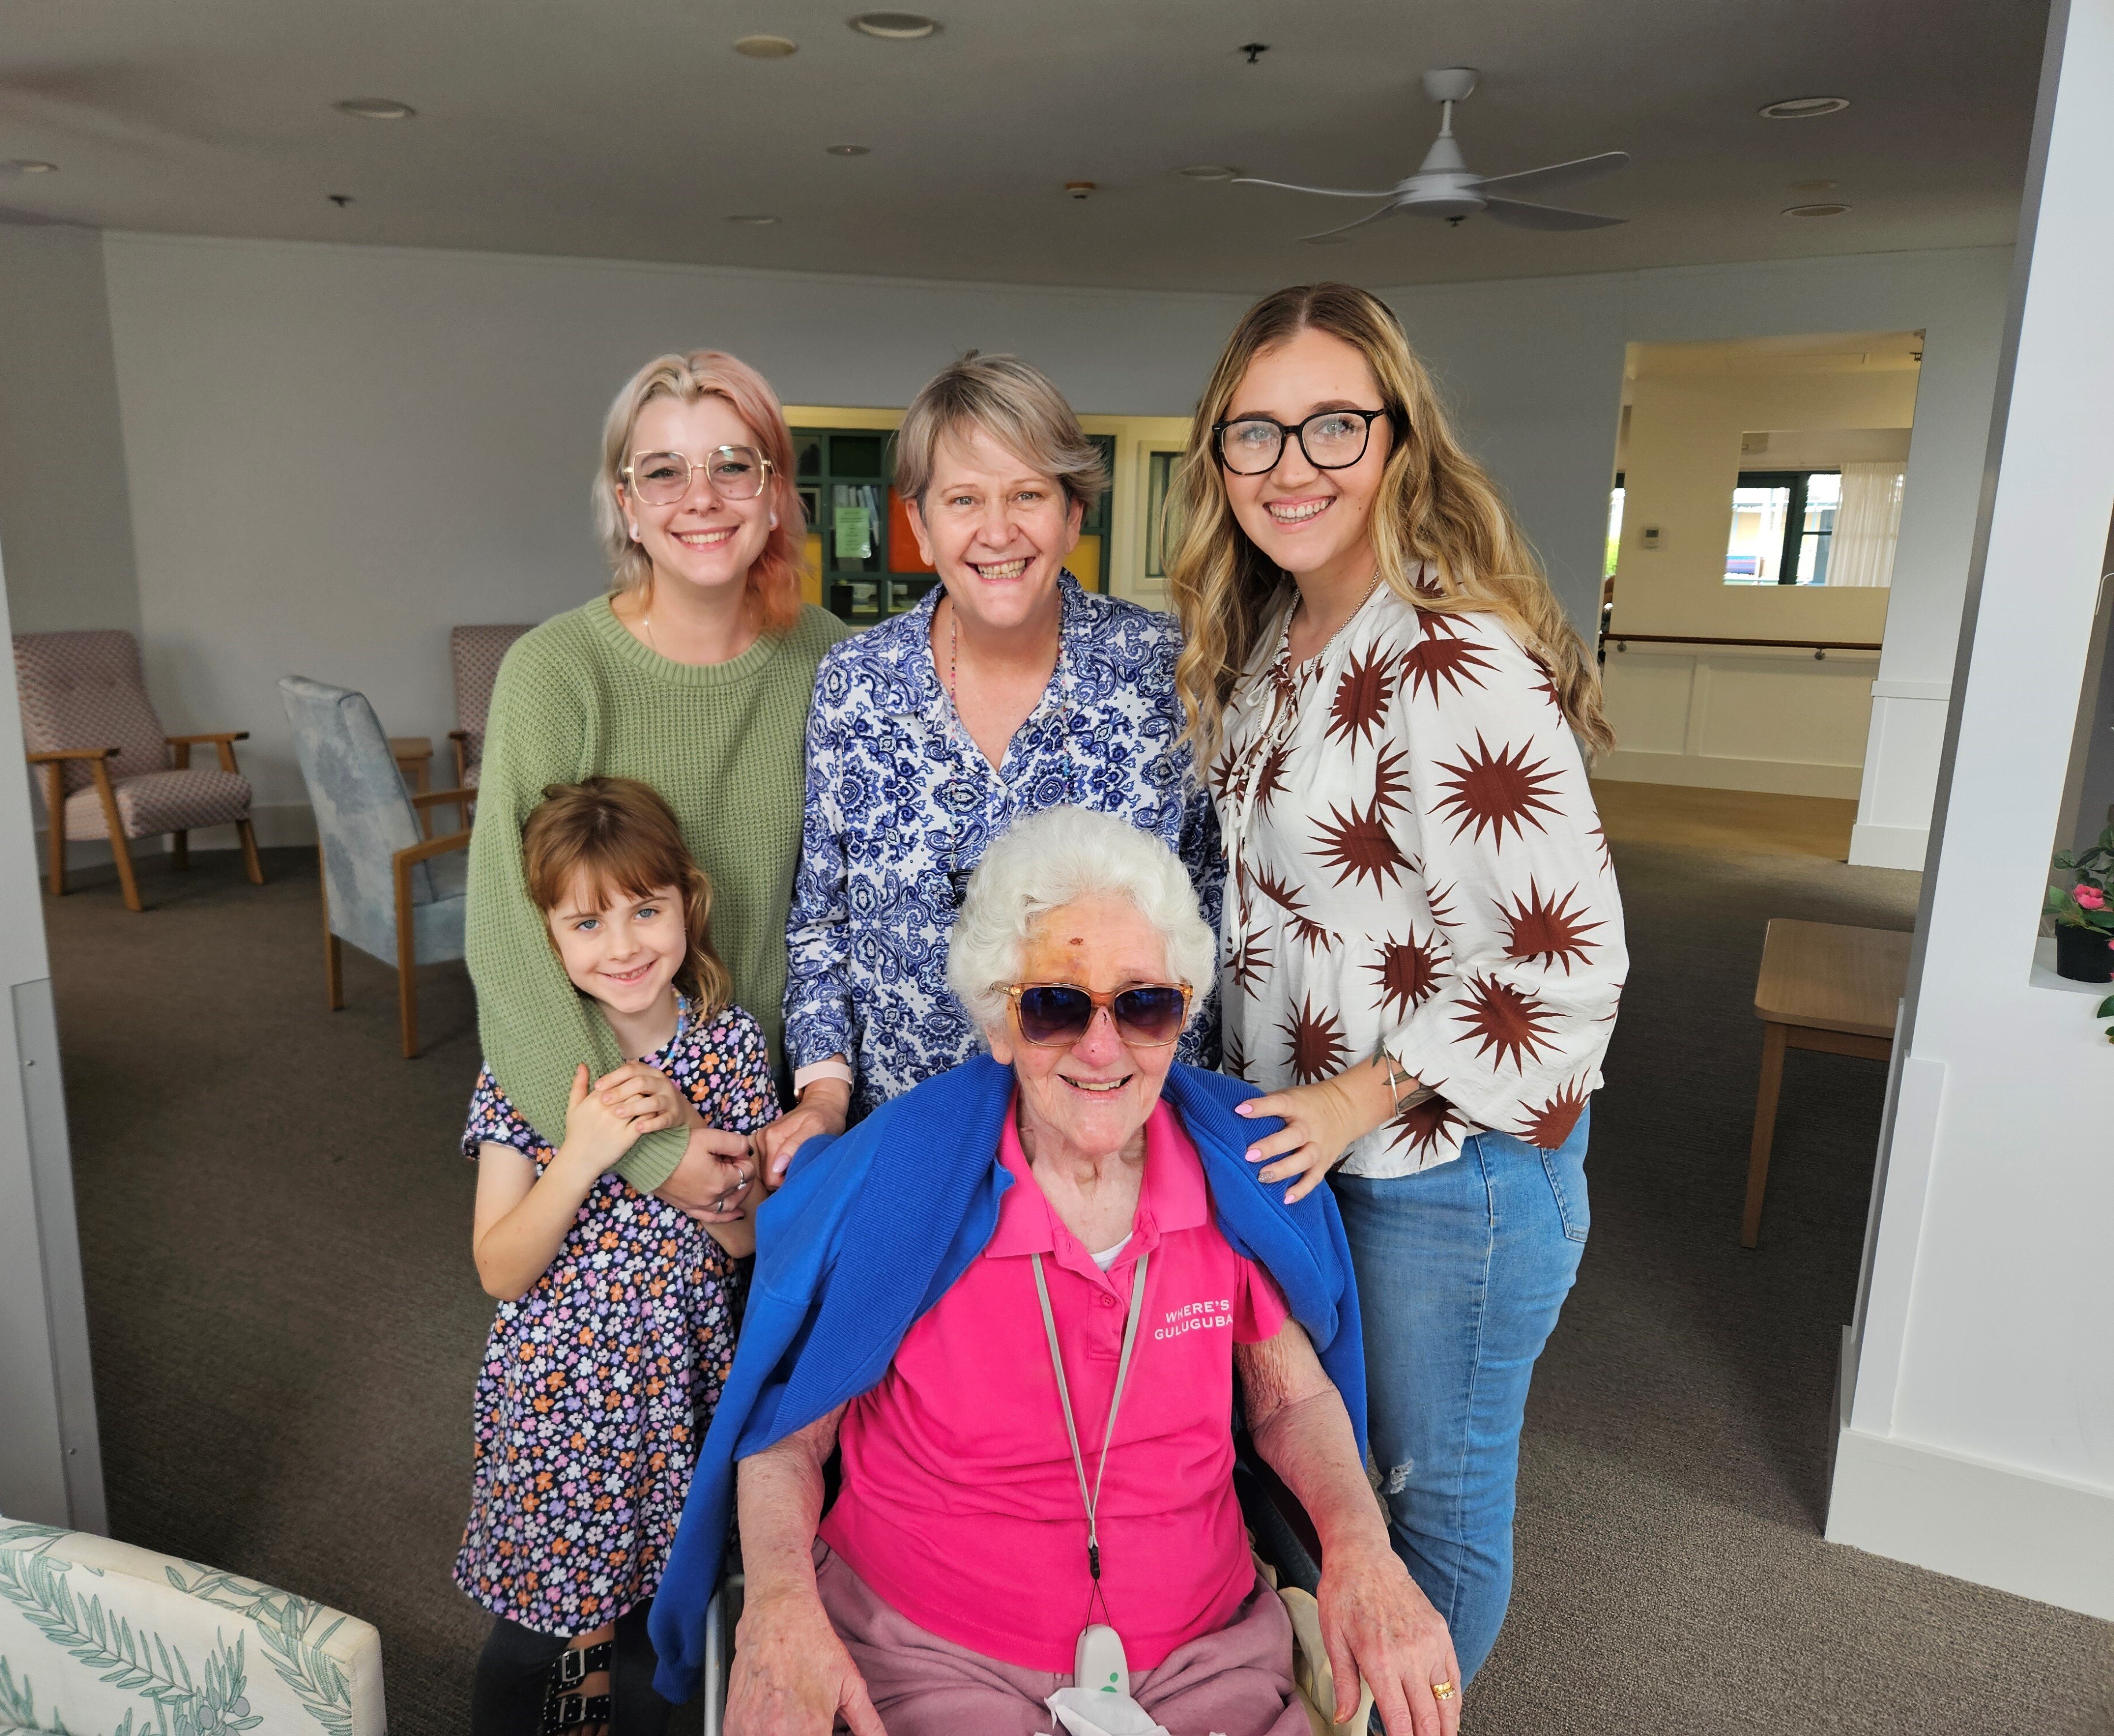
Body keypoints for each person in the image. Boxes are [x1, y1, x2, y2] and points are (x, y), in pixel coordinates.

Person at [651, 808, 1462, 1736]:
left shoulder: (1237, 1176)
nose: (1103, 1047)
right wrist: (783, 1607)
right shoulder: (906, 1182)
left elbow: (1291, 1403)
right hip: (927, 1653)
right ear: (1001, 1022)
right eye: (1056, 1007)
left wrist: (1363, 1548)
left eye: (1144, 1005)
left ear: (1183, 1014)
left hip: (1202, 1652)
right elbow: (789, 1438)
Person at [1167, 282, 1628, 1689]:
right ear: (1217, 460)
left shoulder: (1451, 655)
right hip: (1312, 1155)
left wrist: (1348, 1097)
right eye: (1255, 433)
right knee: (1323, 1491)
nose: (1291, 465)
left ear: (1396, 442)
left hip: (1449, 1174)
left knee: (1426, 1518)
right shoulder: (1266, 650)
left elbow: (1564, 953)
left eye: (1330, 426)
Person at [767, 354, 1220, 1174]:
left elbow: (1209, 907)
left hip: (1111, 1145)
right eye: (964, 500)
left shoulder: (1162, 673)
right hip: (907, 1136)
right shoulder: (856, 684)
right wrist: (824, 1094)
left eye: (1028, 495)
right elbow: (821, 926)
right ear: (920, 522)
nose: (998, 530)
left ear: (1073, 511)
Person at [466, 350, 845, 1232]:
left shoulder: (835, 660)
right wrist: (649, 1148)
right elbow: (506, 942)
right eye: (664, 471)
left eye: (733, 465)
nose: (700, 497)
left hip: (791, 1125)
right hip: (607, 1115)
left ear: (776, 493)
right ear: (626, 504)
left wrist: (820, 1107)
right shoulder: (555, 673)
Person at [458, 778, 780, 1736]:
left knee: (659, 1620)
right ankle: (572, 1703)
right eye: (588, 922)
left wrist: (688, 1131)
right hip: (560, 1401)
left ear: (688, 901)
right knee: (556, 1634)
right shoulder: (532, 1056)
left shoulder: (727, 1048)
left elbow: (750, 1238)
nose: (626, 945)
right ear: (548, 937)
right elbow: (499, 1268)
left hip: (681, 1382)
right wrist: (594, 1152)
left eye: (647, 910)